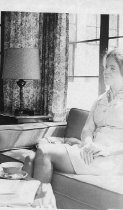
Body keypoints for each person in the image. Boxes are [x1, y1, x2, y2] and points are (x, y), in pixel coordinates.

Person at [24, 48, 123, 183]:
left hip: (111, 159)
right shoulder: (100, 100)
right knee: (30, 158)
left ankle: (38, 203)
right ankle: (26, 202)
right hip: (89, 152)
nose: (106, 71)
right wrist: (88, 144)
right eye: (106, 67)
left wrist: (105, 150)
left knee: (44, 152)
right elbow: (87, 129)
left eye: (112, 68)